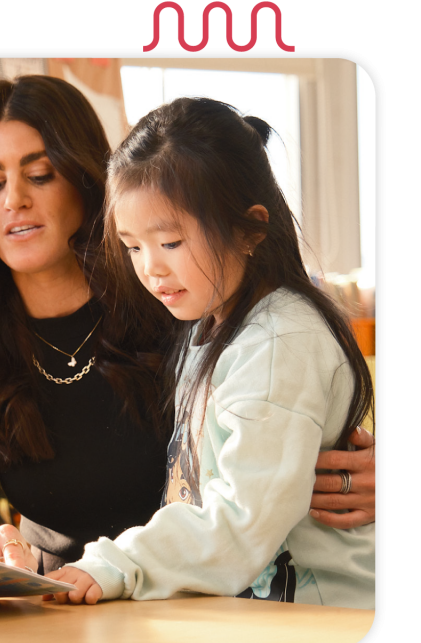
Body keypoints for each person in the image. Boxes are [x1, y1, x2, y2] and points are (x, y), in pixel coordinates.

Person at [0, 76, 375, 579]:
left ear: (89, 182)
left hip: (198, 605)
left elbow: (292, 426)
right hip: (60, 605)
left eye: (40, 174)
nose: (14, 200)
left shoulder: (184, 299)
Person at [43, 97, 375, 608]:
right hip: (253, 608)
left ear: (249, 230)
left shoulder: (278, 342)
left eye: (170, 242)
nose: (150, 268)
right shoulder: (210, 324)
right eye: (133, 246)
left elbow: (241, 523)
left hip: (320, 615)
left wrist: (119, 562)